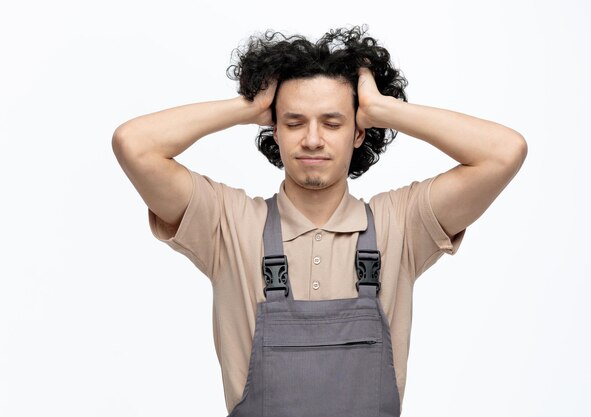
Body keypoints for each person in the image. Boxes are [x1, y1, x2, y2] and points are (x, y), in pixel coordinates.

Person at [112, 25, 527, 416]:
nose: (312, 139)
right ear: (273, 129)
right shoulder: (229, 223)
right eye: (294, 122)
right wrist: (249, 107)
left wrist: (382, 107)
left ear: (360, 132)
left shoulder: (400, 224)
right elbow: (134, 145)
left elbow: (505, 152)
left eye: (333, 122)